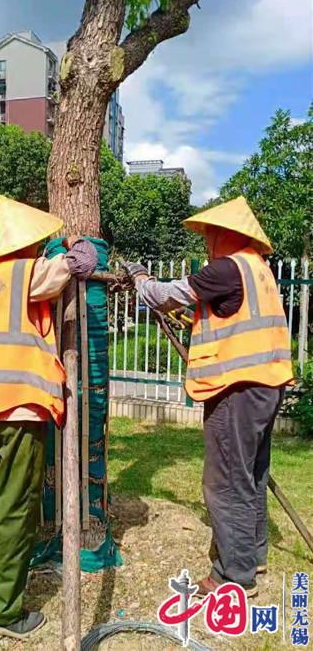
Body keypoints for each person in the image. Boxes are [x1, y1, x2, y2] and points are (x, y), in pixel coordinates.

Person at [0, 195, 98, 639]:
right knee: (14, 506)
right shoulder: (28, 275)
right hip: (21, 405)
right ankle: (1, 612)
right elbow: (81, 263)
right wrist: (74, 239)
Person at [124, 196, 293, 598]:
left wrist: (140, 278)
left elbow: (163, 295)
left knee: (226, 482)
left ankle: (234, 576)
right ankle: (252, 555)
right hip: (266, 384)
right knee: (251, 474)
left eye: (209, 235)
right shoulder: (258, 269)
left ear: (226, 235)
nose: (206, 243)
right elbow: (230, 315)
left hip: (236, 387)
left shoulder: (226, 268)